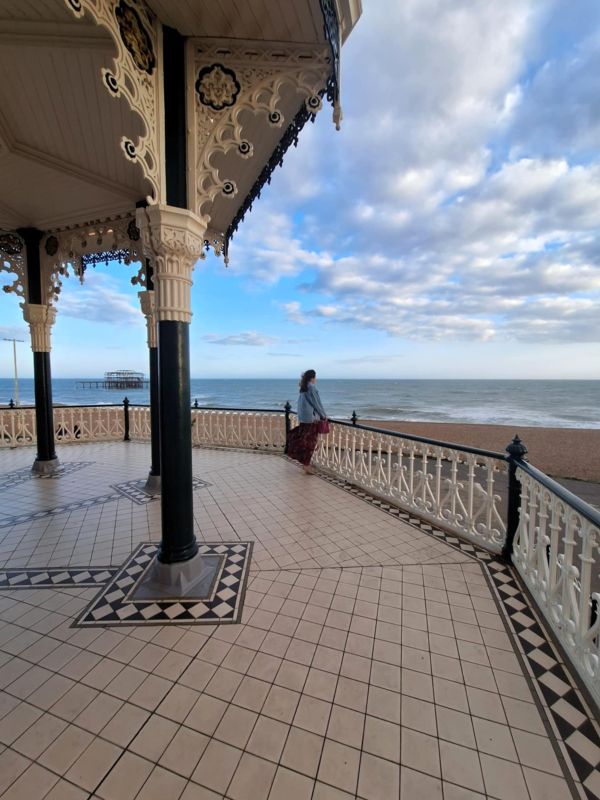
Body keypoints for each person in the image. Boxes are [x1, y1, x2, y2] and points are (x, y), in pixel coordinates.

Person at [286, 369, 328, 474]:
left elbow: (301, 404)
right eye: (315, 377)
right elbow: (317, 403)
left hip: (304, 418)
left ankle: (305, 462)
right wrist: (323, 416)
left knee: (305, 440)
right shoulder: (311, 387)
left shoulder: (303, 388)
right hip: (311, 420)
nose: (316, 379)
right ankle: (306, 465)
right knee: (310, 442)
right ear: (313, 377)